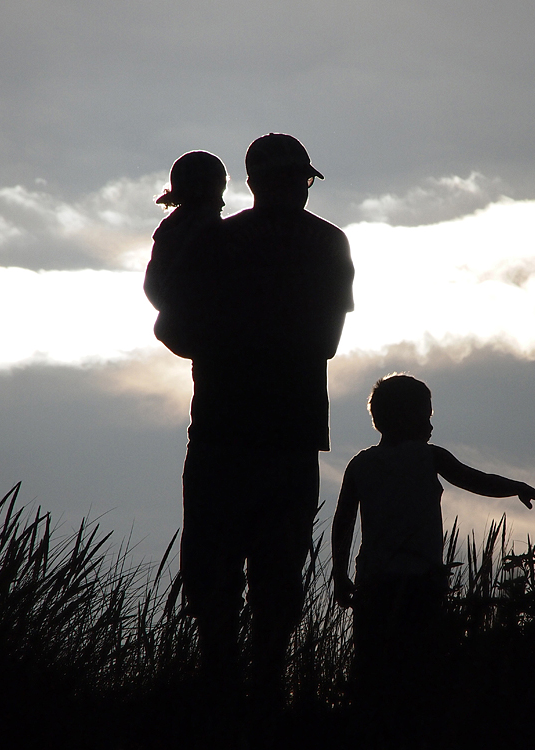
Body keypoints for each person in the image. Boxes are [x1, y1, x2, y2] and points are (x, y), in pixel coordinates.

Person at [175, 134, 355, 728]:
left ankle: (235, 700)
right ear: (256, 183)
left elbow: (173, 327)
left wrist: (225, 344)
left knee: (242, 574)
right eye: (289, 180)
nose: (294, 190)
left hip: (246, 431)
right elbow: (326, 339)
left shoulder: (220, 239)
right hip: (273, 432)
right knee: (258, 575)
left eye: (298, 181)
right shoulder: (326, 243)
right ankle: (246, 700)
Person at [331, 374, 535, 747]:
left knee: (374, 671)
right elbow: (474, 479)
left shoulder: (360, 464)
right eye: (425, 414)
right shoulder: (429, 456)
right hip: (420, 583)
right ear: (405, 415)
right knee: (419, 669)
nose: (431, 424)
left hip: (374, 584)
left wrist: (339, 572)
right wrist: (516, 487)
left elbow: (342, 521)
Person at [144, 150, 228, 358]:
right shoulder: (209, 232)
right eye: (216, 190)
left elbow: (151, 287)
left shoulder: (168, 232)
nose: (221, 203)